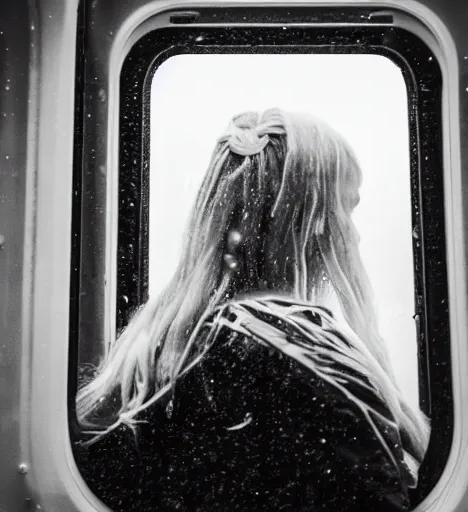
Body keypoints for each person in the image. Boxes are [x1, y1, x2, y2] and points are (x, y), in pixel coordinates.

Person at [74, 109, 430, 511]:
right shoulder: (295, 347)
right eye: (346, 209)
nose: (355, 233)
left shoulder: (153, 352)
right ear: (311, 220)